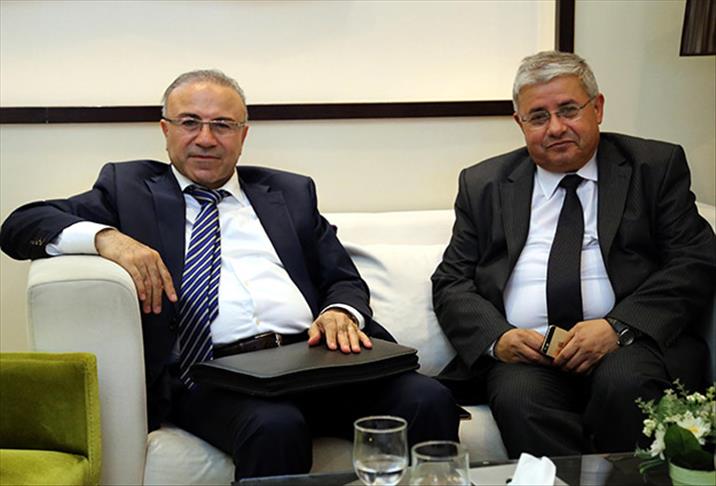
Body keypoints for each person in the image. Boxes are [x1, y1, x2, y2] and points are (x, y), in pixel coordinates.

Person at [0, 69, 459, 479]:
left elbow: (343, 277)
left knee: (427, 398)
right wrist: (107, 239)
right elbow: (21, 224)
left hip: (313, 362)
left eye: (222, 125)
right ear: (165, 130)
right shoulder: (129, 189)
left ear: (243, 135)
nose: (206, 138)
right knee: (275, 425)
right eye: (190, 122)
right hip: (213, 376)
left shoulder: (289, 193)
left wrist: (340, 311)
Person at [432, 51, 716, 458]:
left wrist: (617, 328)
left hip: (630, 345)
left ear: (597, 108)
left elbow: (695, 260)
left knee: (625, 382)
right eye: (538, 117)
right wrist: (499, 338)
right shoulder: (484, 184)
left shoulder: (653, 167)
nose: (556, 128)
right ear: (520, 123)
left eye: (568, 110)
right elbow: (450, 281)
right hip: (530, 356)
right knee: (518, 397)